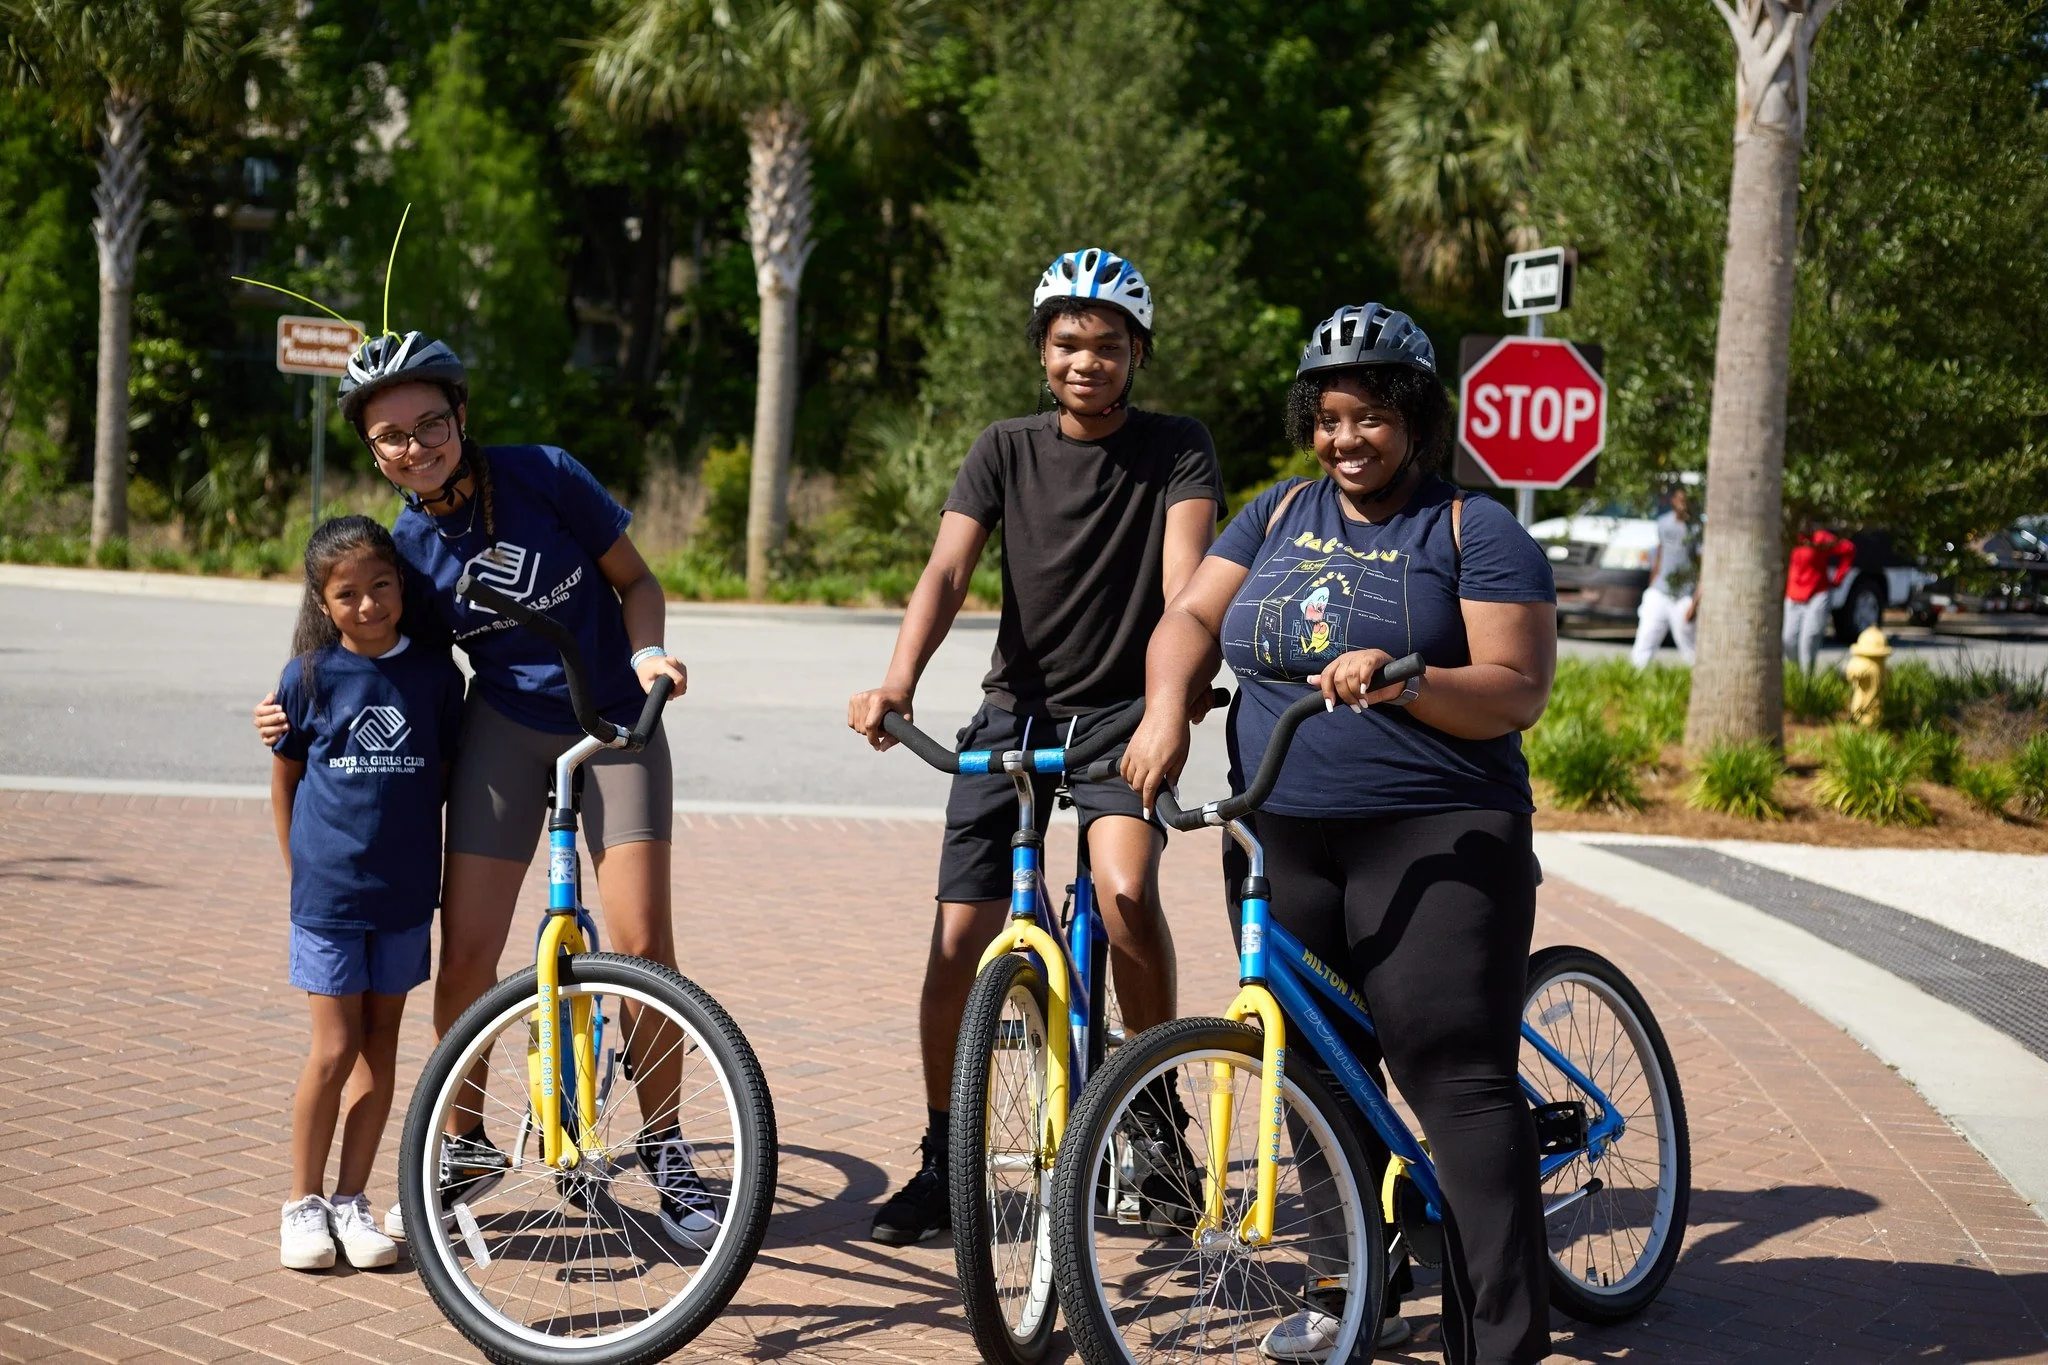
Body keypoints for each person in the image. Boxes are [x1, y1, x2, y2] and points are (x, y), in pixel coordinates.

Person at [1121, 304, 1557, 1365]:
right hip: (1278, 830)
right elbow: (1190, 617)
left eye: (1368, 418)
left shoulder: (1473, 530)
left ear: (1412, 418)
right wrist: (1168, 708)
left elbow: (1517, 688)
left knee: (1452, 1075)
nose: (1344, 439)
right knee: (1313, 1069)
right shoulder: (1275, 514)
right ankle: (1352, 1286)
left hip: (1437, 834)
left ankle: (1502, 1340)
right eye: (1326, 419)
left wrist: (1410, 681)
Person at [252, 331, 709, 1246]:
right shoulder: (406, 551)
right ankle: (464, 1144)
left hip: (614, 717)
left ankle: (666, 1145)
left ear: (460, 415)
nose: (416, 446)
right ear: (373, 451)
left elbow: (637, 581)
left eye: (430, 423)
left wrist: (649, 652)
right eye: (392, 436)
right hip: (502, 725)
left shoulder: (545, 474)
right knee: (464, 954)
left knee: (643, 945)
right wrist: (294, 705)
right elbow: (378, 649)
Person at [847, 248, 1224, 1245]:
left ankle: (1154, 1125)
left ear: (1137, 353)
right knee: (956, 941)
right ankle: (944, 1156)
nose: (1085, 361)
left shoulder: (1177, 447)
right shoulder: (1002, 448)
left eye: (1106, 345)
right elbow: (946, 571)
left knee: (1126, 895)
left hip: (1122, 714)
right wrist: (897, 679)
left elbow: (1186, 585)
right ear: (1041, 352)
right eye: (1066, 343)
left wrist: (1172, 702)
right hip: (1014, 712)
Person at [272, 516, 465, 1270]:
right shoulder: (307, 676)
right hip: (329, 897)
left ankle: (352, 1200)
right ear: (323, 602)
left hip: (406, 896)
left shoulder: (438, 677)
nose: (368, 604)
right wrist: (301, 873)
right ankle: (302, 1204)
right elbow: (286, 781)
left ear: (401, 586)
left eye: (381, 585)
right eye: (347, 594)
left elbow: (441, 778)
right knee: (334, 1047)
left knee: (380, 1045)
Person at [1629, 485, 1698, 668]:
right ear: (1673, 501)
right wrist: (1651, 586)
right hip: (1659, 591)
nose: (1683, 505)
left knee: (1689, 648)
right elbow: (1659, 555)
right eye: (1680, 500)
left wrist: (1695, 602)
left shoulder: (1696, 529)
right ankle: (1634, 677)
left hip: (1684, 595)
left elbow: (1702, 567)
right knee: (1645, 640)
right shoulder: (1664, 523)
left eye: (1686, 501)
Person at [1784, 519, 1855, 672]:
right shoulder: (1789, 538)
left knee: (1808, 640)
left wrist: (1838, 578)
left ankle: (1806, 680)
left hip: (1817, 595)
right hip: (1793, 595)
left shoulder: (1821, 538)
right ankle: (1794, 676)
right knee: (1788, 640)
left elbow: (1848, 549)